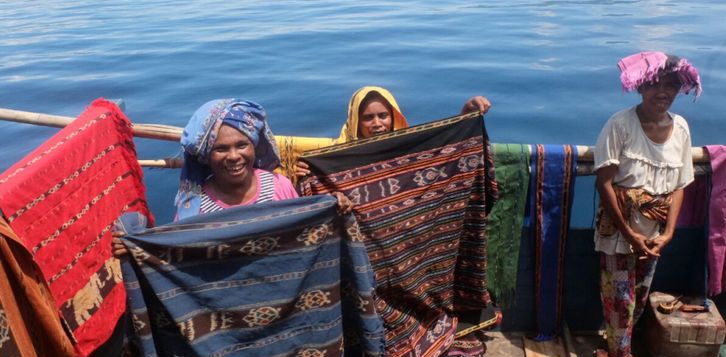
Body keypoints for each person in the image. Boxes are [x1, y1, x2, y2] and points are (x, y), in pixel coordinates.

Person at [113, 98, 352, 255]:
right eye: (221, 149)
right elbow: (177, 253)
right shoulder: (195, 208)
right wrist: (138, 249)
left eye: (242, 145)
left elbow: (305, 231)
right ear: (206, 155)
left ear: (254, 147)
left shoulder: (278, 186)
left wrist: (335, 207)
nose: (234, 156)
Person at [592, 51, 701, 357]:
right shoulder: (620, 125)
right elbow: (605, 181)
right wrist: (628, 232)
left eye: (670, 86)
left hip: (653, 234)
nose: (662, 93)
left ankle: (622, 353)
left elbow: (681, 184)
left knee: (639, 295)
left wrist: (667, 233)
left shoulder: (680, 127)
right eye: (655, 85)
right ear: (641, 87)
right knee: (618, 299)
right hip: (619, 233)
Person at [294, 86, 491, 177]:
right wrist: (309, 174)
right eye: (368, 118)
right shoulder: (336, 156)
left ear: (393, 116)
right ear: (355, 121)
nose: (377, 123)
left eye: (383, 115)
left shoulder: (407, 148)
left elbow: (445, 154)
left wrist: (465, 115)